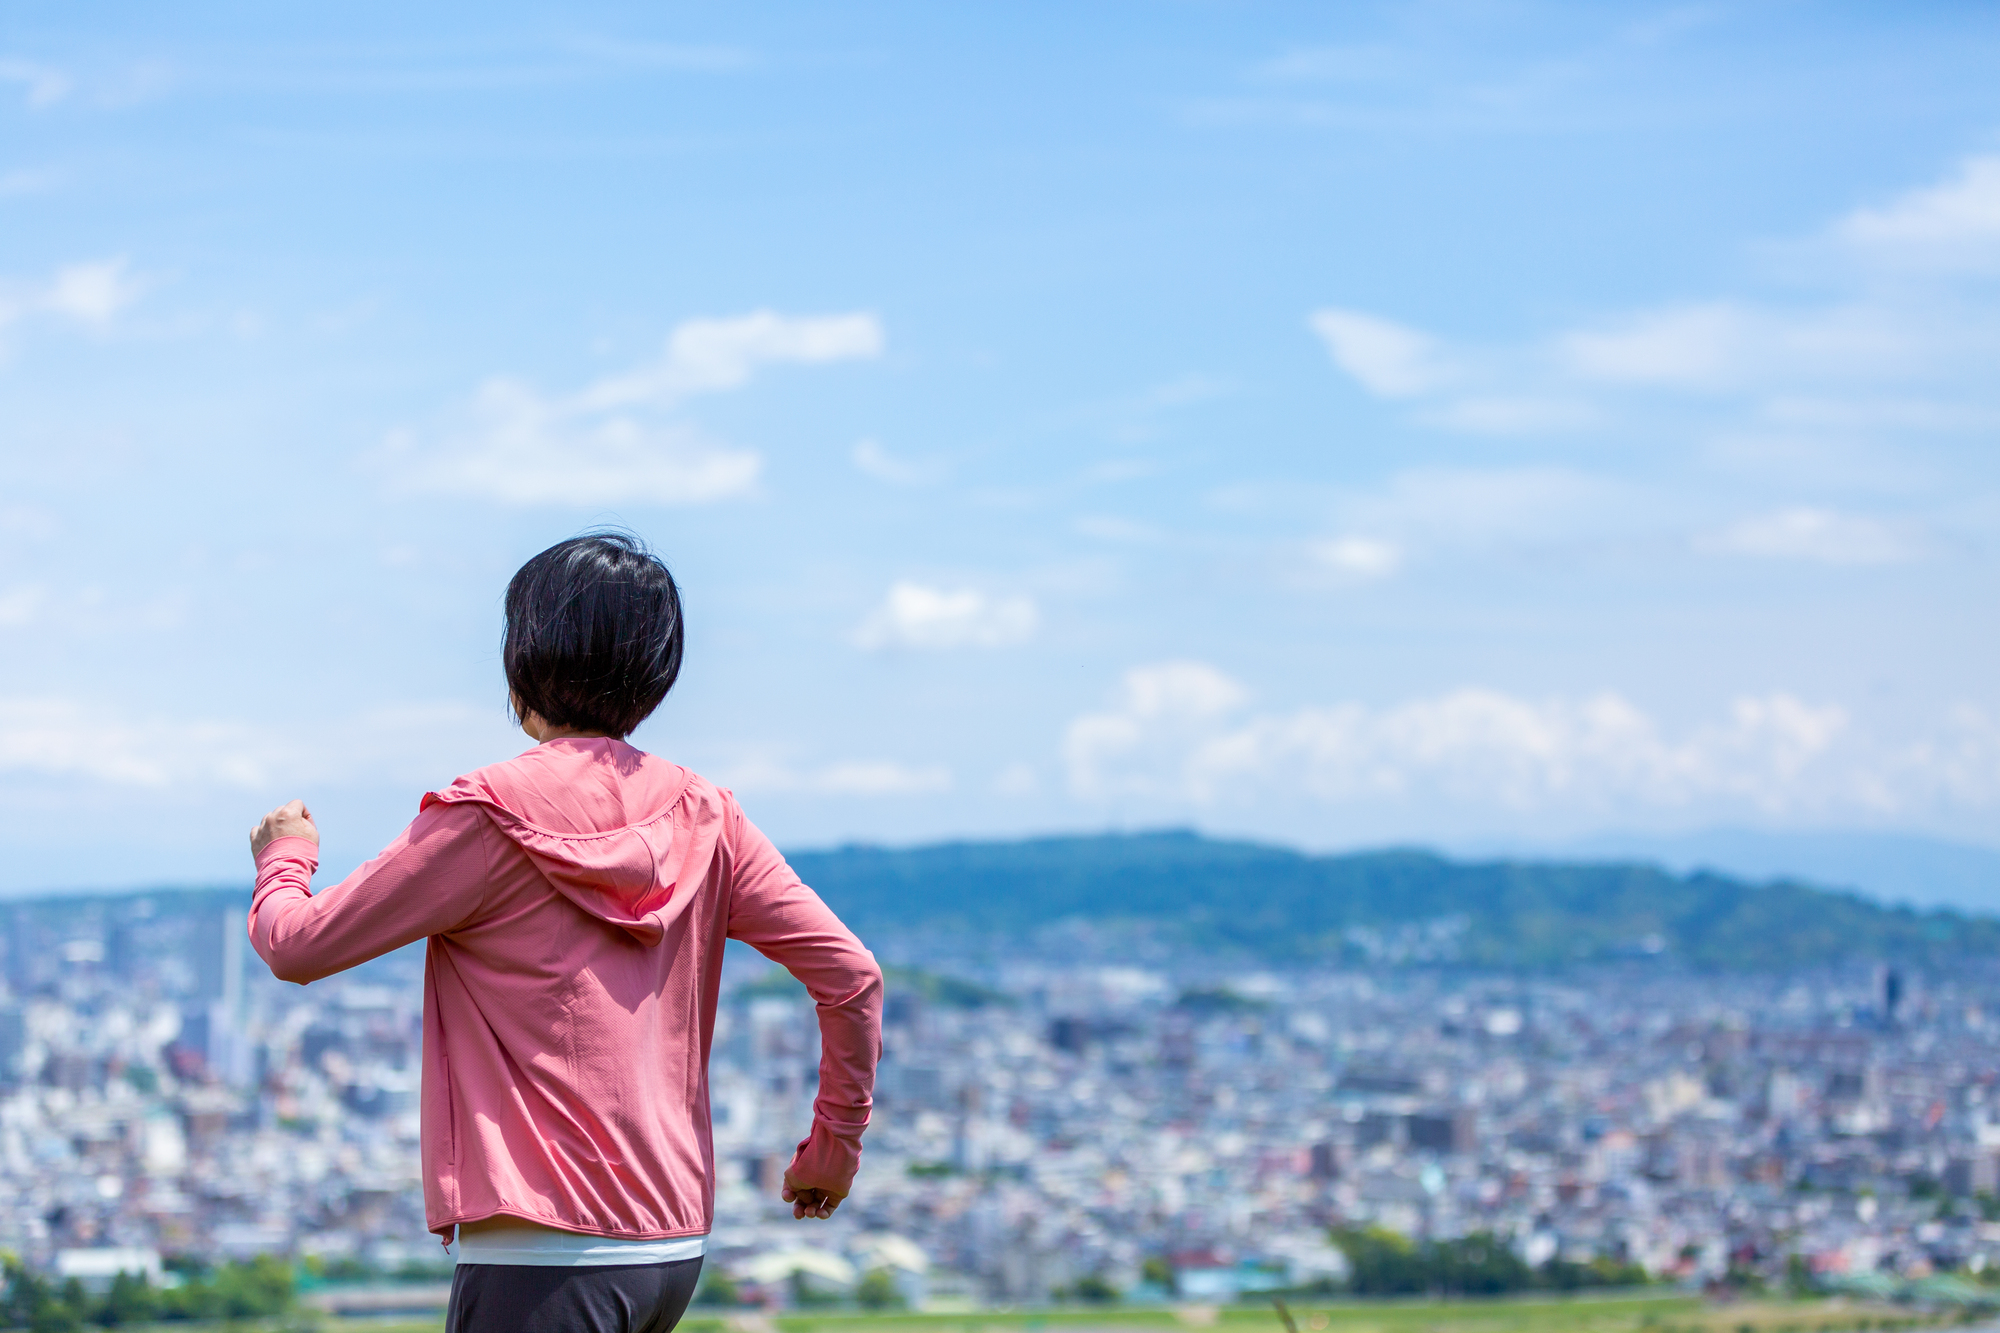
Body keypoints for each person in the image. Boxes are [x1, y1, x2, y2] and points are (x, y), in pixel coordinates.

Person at [246, 531, 882, 1333]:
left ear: (524, 662)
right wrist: (833, 1149)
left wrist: (284, 857)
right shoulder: (710, 816)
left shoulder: (487, 818)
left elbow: (296, 944)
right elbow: (851, 976)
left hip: (537, 1254)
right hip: (670, 1245)